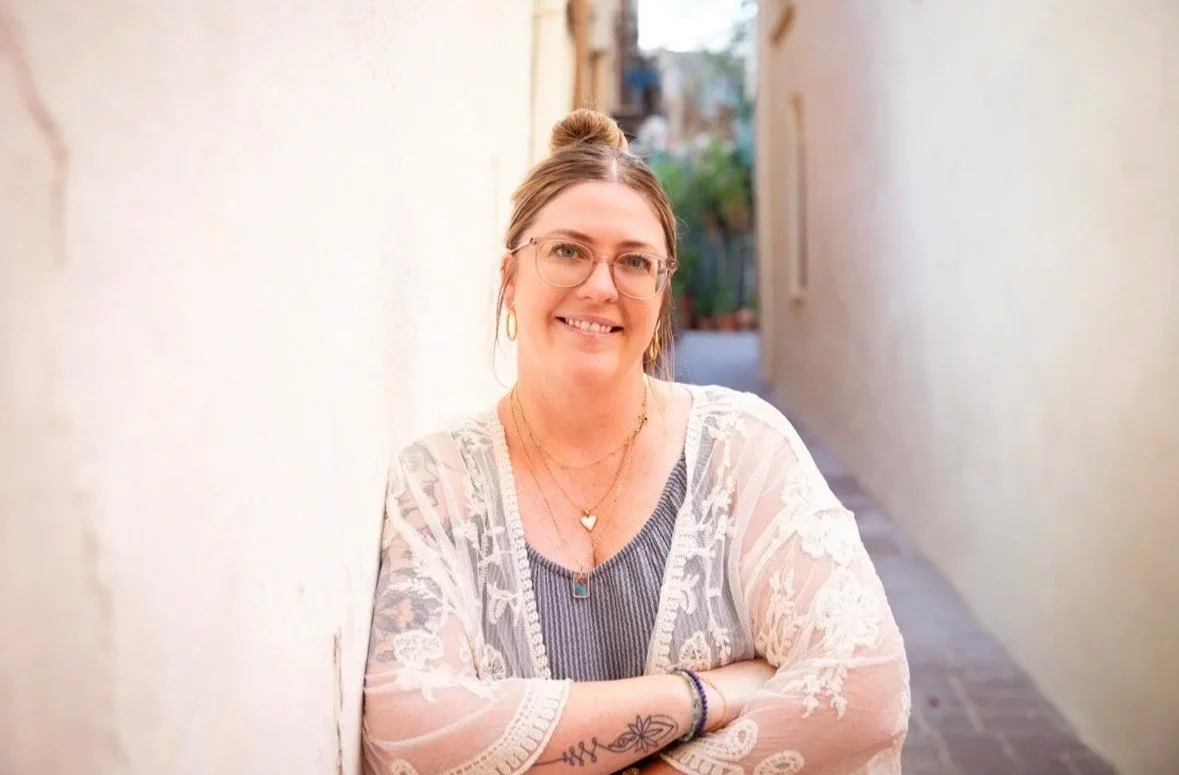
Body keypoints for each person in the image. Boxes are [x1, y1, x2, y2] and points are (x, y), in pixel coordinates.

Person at [361, 109, 910, 775]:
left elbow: (866, 685)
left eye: (633, 261)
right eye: (567, 250)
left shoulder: (742, 450)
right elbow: (408, 731)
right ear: (510, 279)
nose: (600, 285)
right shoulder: (436, 480)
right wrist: (701, 695)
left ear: (658, 293)